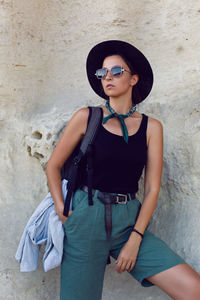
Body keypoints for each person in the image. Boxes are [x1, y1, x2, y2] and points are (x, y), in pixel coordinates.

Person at [46, 40, 200, 300]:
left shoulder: (152, 128)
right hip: (86, 219)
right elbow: (53, 165)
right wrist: (64, 212)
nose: (108, 77)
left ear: (133, 79)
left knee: (192, 289)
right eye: (102, 72)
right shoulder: (87, 117)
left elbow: (152, 189)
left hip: (129, 222)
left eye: (117, 71)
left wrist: (136, 238)